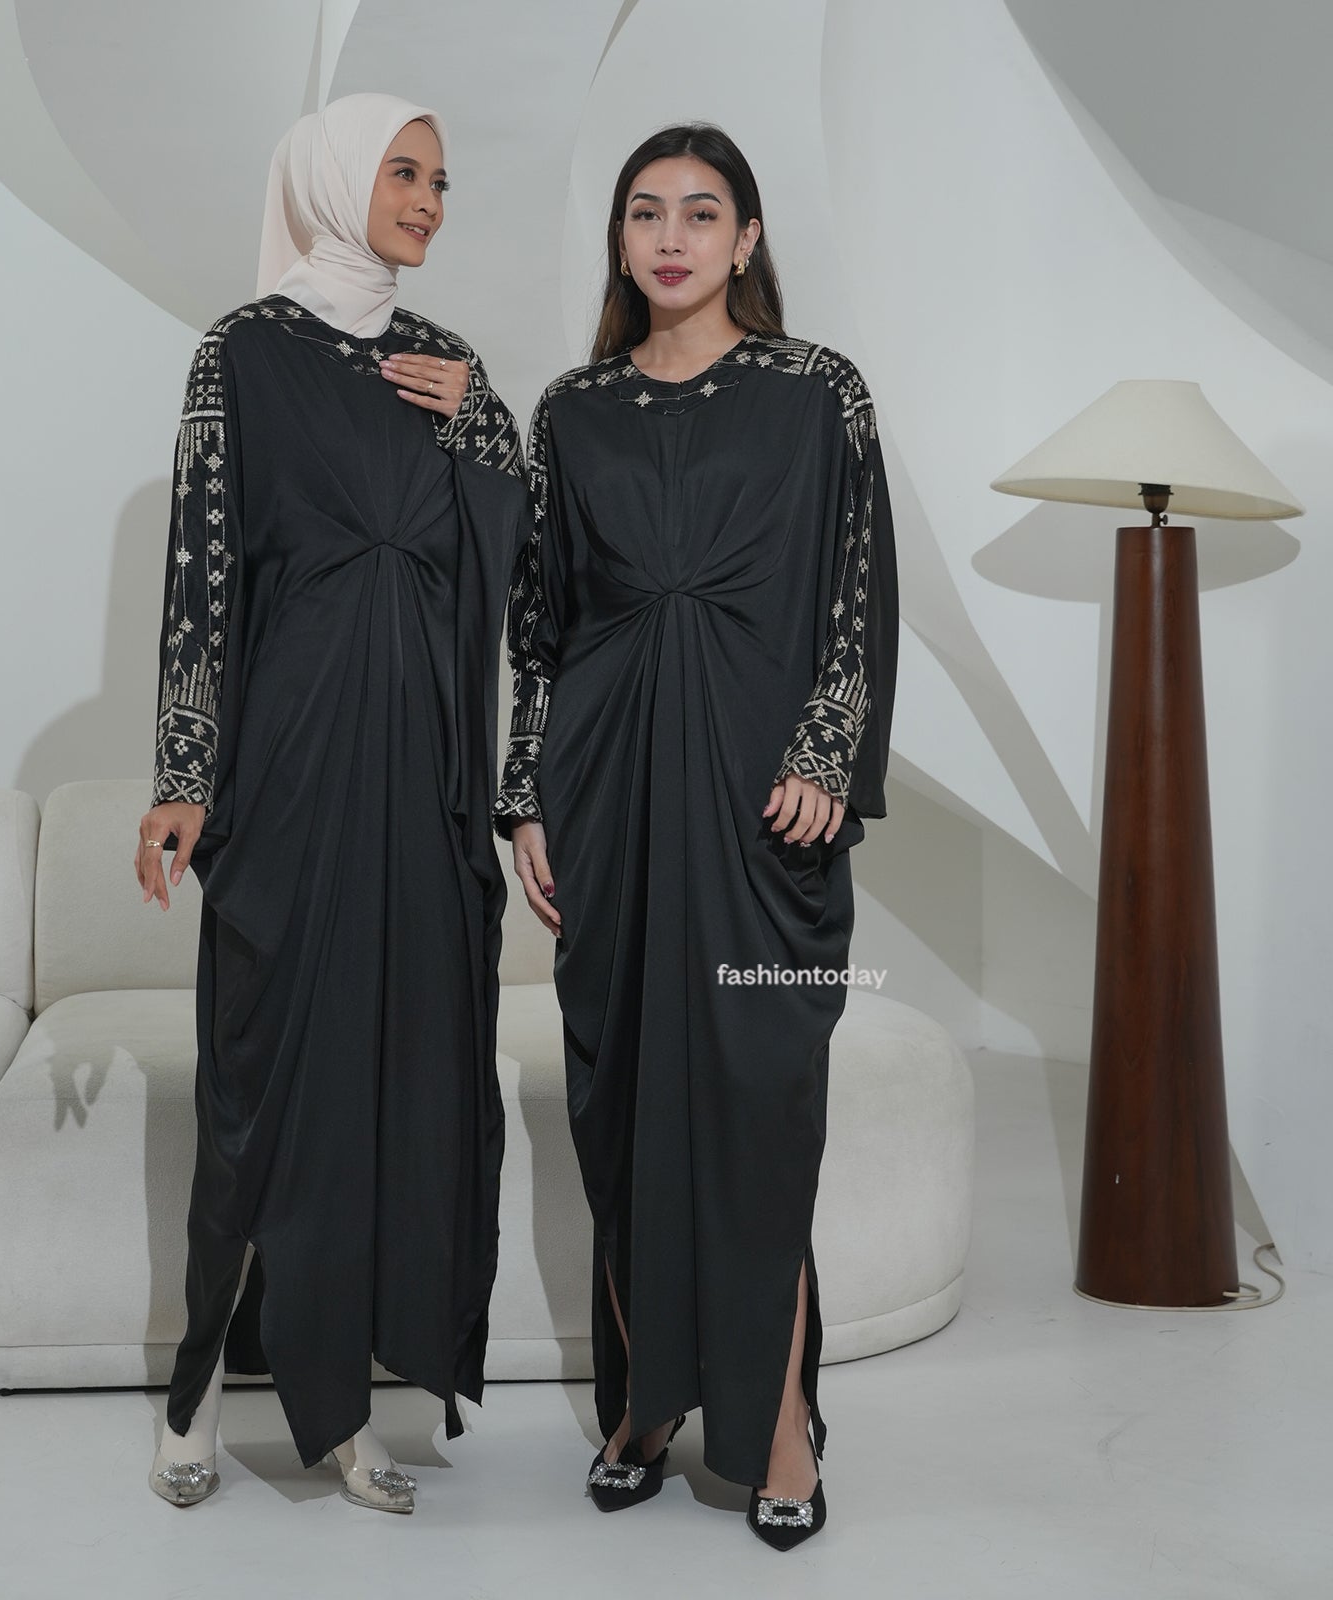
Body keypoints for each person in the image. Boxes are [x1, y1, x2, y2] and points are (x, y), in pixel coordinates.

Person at [493, 122, 898, 1551]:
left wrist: (828, 748)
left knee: (757, 1109)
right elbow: (536, 626)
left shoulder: (816, 392)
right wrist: (526, 795)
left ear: (747, 236)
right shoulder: (573, 411)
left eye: (701, 212)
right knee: (619, 1111)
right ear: (620, 239)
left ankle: (778, 1421)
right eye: (646, 213)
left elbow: (856, 586)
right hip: (608, 797)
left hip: (757, 804)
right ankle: (645, 1403)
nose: (671, 237)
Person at [134, 92, 527, 1514]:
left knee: (394, 1087)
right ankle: (195, 1394)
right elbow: (202, 570)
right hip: (292, 770)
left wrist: (488, 427)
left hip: (421, 780)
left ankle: (348, 1414)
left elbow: (527, 562)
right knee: (265, 1091)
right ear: (334, 179)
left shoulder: (446, 365)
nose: (429, 200)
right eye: (404, 172)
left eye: (442, 179)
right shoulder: (242, 353)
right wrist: (185, 776)